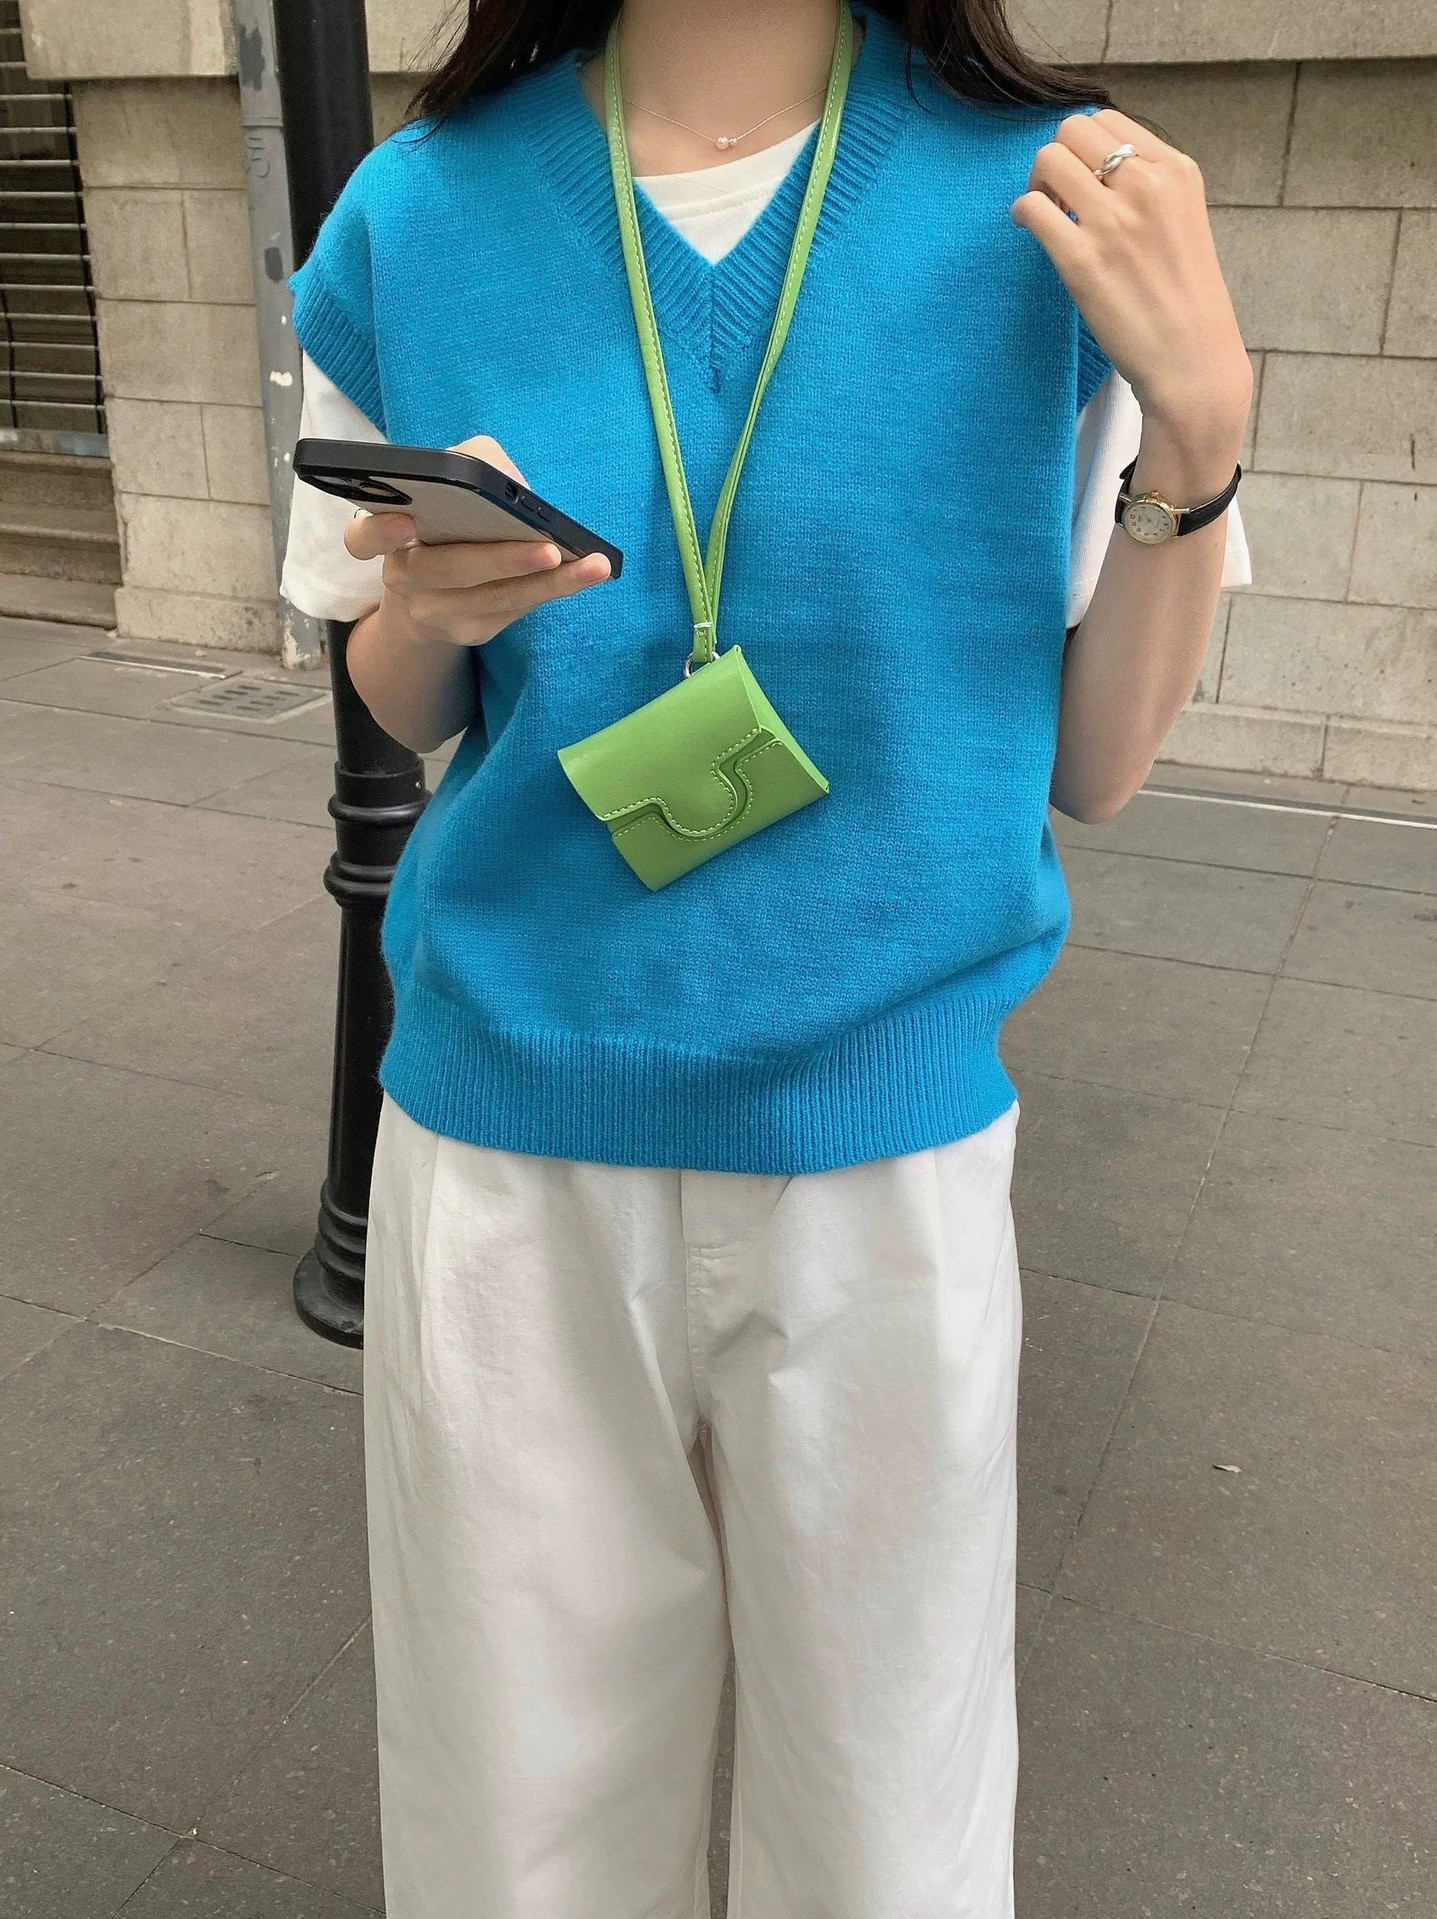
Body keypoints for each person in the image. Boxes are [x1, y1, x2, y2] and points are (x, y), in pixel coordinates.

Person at [280, 1, 1251, 1911]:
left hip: (879, 1143)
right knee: (510, 1828)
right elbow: (396, 697)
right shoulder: (416, 211)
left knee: (886, 1826)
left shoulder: (1072, 196)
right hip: (504, 1134)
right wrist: (433, 611)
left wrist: (1201, 436)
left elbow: (1096, 767)